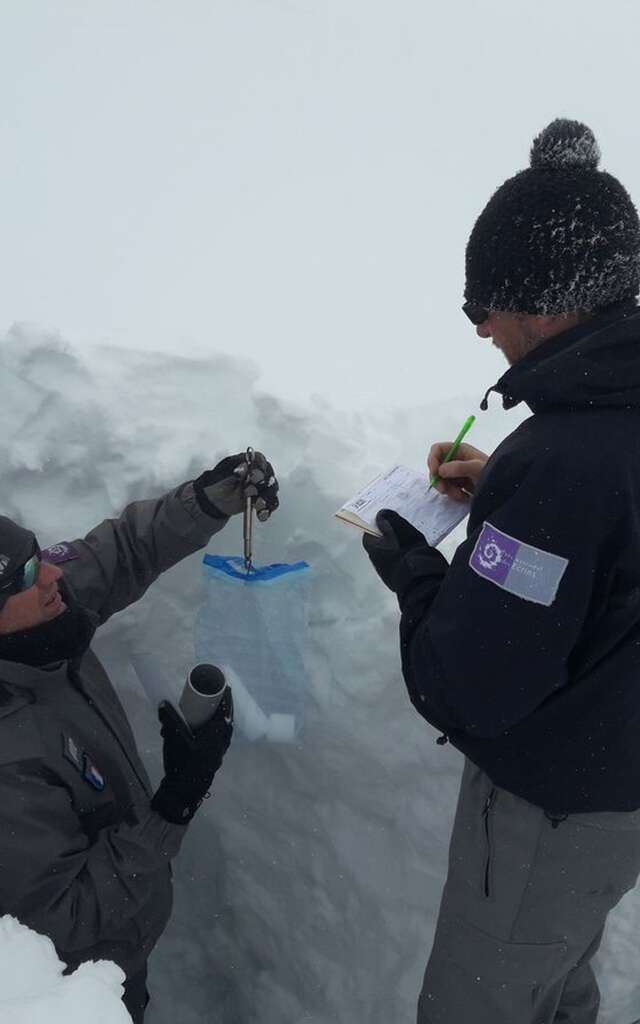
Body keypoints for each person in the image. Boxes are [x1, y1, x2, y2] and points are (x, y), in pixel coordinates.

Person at [363, 118, 640, 1023]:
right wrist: (504, 505)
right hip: (611, 785)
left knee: (482, 1006)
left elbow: (469, 684)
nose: (482, 326)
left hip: (548, 810)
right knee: (551, 986)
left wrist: (414, 572)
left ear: (550, 304)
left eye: (487, 305)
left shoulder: (566, 460)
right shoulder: (611, 420)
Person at [0, 452, 279, 1023]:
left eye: (36, 556)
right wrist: (173, 806)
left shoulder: (42, 615)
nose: (50, 574)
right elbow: (67, 918)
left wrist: (204, 501)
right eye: (26, 576)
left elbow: (118, 552)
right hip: (81, 988)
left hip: (127, 933)